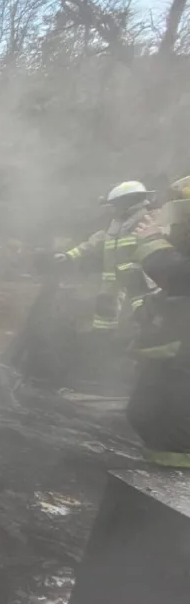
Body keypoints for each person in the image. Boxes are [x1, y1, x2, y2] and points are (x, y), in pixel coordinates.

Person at [124, 175, 190, 467]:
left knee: (175, 425)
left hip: (182, 358)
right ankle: (157, 483)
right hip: (171, 351)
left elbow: (178, 277)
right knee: (145, 414)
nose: (176, 223)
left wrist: (151, 241)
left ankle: (173, 493)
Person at [55, 180, 155, 332]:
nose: (112, 208)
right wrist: (69, 255)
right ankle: (102, 339)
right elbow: (96, 241)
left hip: (138, 276)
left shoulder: (149, 219)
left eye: (115, 204)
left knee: (144, 309)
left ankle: (146, 337)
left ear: (127, 202)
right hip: (113, 277)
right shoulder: (117, 223)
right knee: (105, 309)